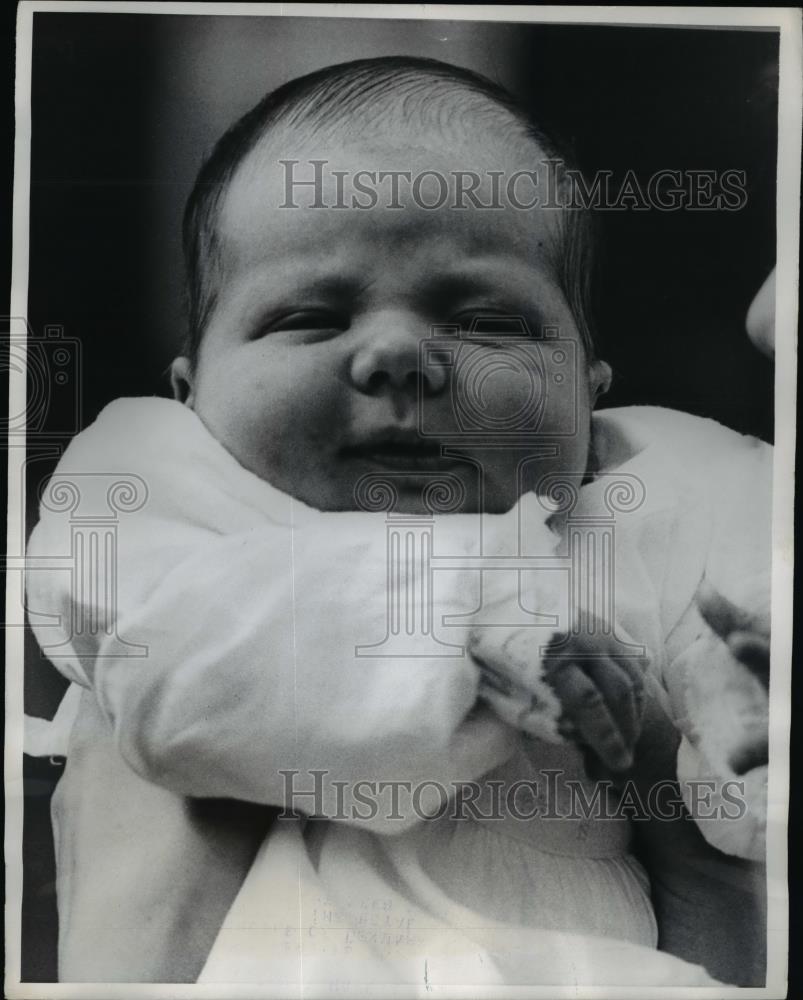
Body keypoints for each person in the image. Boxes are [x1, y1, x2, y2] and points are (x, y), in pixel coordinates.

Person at [25, 56, 770, 987]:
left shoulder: (661, 495)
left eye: (491, 321)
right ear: (191, 392)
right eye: (307, 314)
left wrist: (737, 719)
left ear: (588, 400)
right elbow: (174, 670)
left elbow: (750, 755)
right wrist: (488, 609)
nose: (398, 355)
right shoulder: (154, 484)